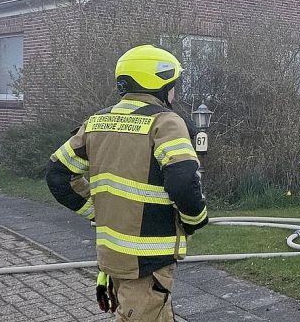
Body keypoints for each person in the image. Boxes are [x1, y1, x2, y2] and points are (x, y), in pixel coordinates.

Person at [46, 45, 208, 321]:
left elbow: (57, 174)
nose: (175, 93)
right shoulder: (166, 122)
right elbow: (183, 182)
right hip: (149, 261)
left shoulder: (96, 122)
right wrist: (195, 218)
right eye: (173, 85)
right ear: (159, 83)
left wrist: (98, 212)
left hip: (113, 257)